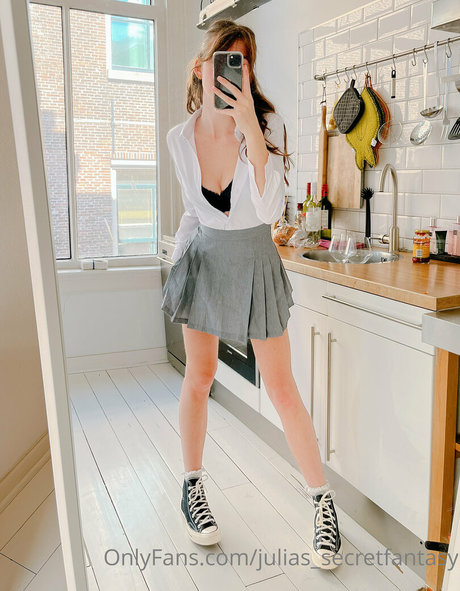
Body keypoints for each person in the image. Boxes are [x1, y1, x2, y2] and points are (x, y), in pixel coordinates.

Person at [161, 19, 342, 570]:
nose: (233, 73)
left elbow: (268, 212)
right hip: (204, 260)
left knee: (282, 387)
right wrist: (177, 270)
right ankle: (192, 487)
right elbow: (193, 213)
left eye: (242, 63)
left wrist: (251, 134)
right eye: (224, 61)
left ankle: (323, 503)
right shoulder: (179, 139)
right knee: (199, 378)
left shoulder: (269, 125)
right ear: (202, 68)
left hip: (255, 258)